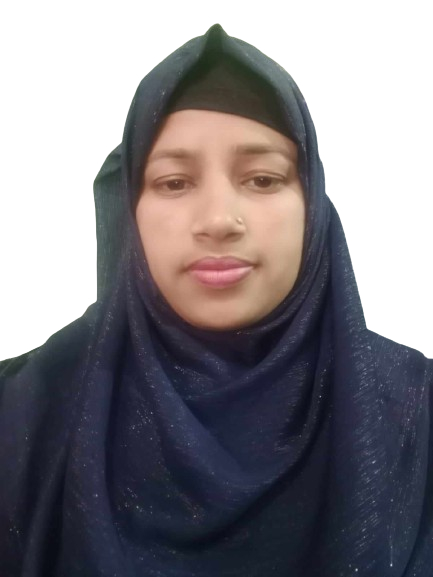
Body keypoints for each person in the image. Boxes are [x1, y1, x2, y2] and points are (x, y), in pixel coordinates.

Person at [0, 23, 432, 577]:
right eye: (174, 183)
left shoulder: (416, 413)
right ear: (130, 209)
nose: (219, 220)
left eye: (262, 179)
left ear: (313, 206)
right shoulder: (25, 414)